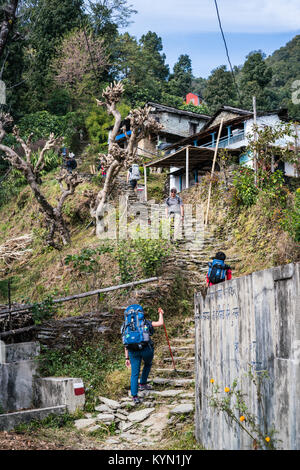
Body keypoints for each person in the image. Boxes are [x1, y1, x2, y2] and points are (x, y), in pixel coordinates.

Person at [124, 306, 164, 404]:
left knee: (134, 373)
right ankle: (142, 383)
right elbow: (160, 323)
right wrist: (161, 314)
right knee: (148, 363)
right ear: (141, 314)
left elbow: (125, 343)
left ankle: (134, 396)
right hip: (146, 348)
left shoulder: (126, 325)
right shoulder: (145, 322)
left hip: (132, 351)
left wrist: (126, 358)